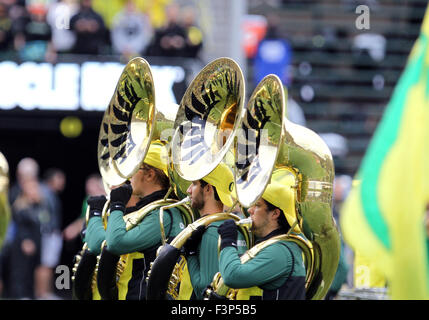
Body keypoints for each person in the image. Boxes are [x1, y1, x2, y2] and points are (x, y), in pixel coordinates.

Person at [95, 141, 186, 300]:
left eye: (135, 168)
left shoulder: (162, 214)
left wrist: (117, 205)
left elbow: (115, 243)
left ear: (150, 175)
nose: (129, 174)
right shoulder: (158, 211)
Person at [216, 169, 306, 300]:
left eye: (257, 205)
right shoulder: (272, 245)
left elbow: (232, 276)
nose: (250, 210)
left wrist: (228, 241)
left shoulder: (280, 250)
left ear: (275, 213)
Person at [180, 162, 248, 300]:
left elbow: (204, 290)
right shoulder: (227, 227)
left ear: (208, 189)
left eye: (194, 184)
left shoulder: (211, 232)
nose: (188, 190)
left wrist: (191, 254)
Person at [35, 168, 66, 300]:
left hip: (50, 233)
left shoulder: (50, 193)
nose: (63, 181)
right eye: (60, 178)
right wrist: (47, 229)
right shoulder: (44, 192)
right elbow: (42, 214)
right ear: (51, 179)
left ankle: (45, 293)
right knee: (45, 264)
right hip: (48, 234)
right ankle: (42, 294)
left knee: (49, 264)